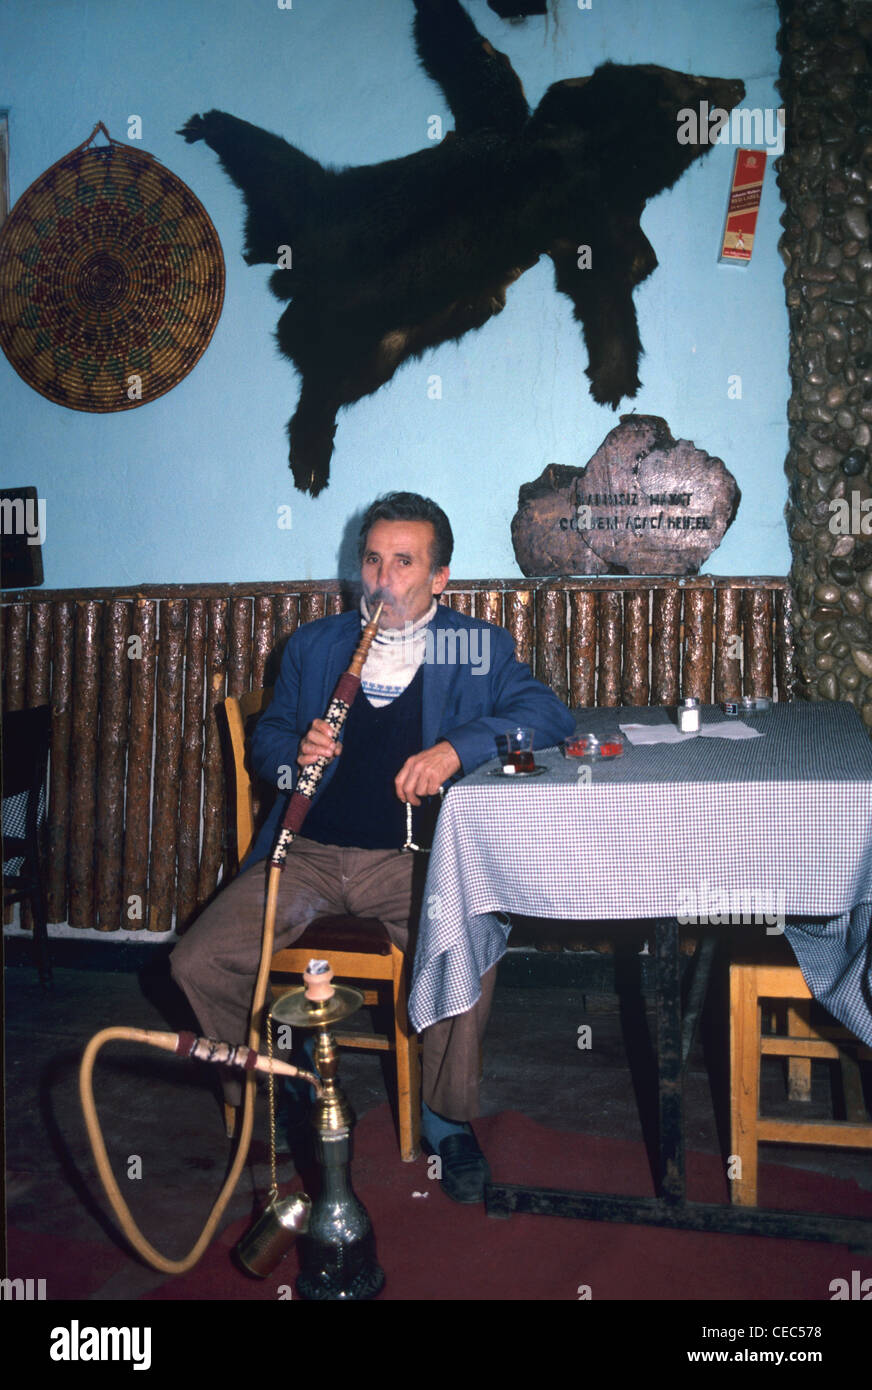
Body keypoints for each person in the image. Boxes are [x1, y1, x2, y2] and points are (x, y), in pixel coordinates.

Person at [171, 491, 574, 1201]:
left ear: (440, 578)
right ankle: (278, 1090)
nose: (384, 579)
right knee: (197, 959)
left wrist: (456, 748)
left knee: (463, 945)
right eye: (373, 560)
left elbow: (545, 713)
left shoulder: (466, 644)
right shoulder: (319, 645)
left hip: (415, 858)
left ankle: (446, 1118)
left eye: (405, 563)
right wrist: (297, 754)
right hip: (311, 852)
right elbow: (269, 743)